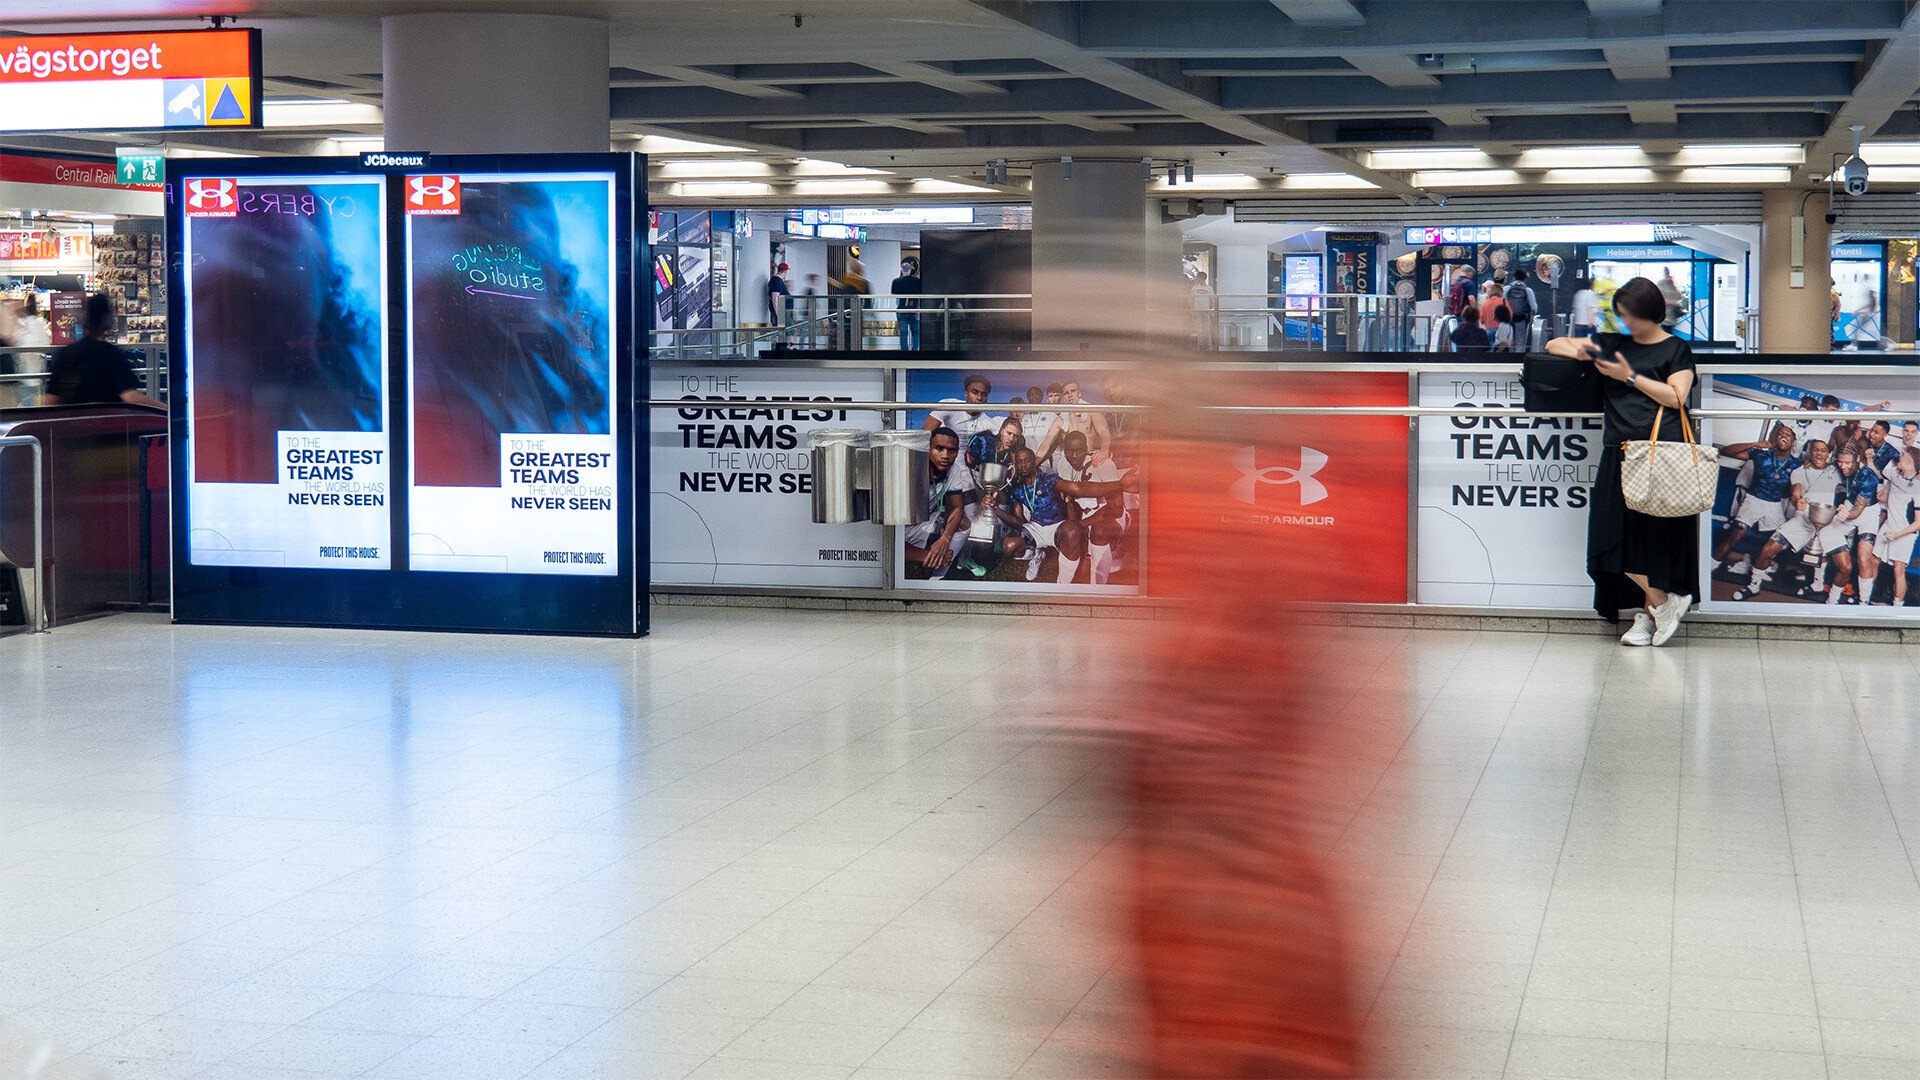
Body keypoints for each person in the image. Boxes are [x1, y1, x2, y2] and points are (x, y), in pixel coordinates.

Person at [1545, 276, 1697, 644]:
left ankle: (1647, 618)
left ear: (1652, 313)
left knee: (1653, 539)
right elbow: (1554, 343)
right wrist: (1585, 352)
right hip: (1619, 450)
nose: (1626, 323)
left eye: (1632, 316)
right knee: (1609, 537)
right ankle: (1662, 603)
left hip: (1662, 452)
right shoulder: (1611, 343)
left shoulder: (1676, 349)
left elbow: (1676, 397)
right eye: (1622, 315)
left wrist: (1628, 375)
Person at [43, 294, 162, 408]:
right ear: (107, 320)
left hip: (73, 424)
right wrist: (166, 409)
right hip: (107, 424)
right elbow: (130, 396)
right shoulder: (111, 354)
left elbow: (52, 400)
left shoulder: (66, 353)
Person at [1713, 423, 1800, 576]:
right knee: (1736, 535)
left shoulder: (1797, 464)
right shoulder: (1762, 455)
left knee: (1781, 541)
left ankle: (1753, 563)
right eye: (1780, 433)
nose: (1783, 437)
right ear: (1775, 437)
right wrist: (1756, 444)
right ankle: (1711, 565)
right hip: (1754, 499)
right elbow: (1726, 451)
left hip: (1775, 505)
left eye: (1787, 435)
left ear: (1793, 442)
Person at [904, 426, 974, 573]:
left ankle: (938, 576)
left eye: (951, 450)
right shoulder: (910, 468)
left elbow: (958, 507)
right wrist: (923, 555)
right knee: (889, 537)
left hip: (923, 522)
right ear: (928, 449)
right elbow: (887, 533)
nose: (945, 455)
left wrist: (945, 540)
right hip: (898, 528)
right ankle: (933, 558)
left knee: (963, 523)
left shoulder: (953, 469)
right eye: (939, 448)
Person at [1873, 447, 1920, 606]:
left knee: (1898, 570)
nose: (1898, 458)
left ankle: (1896, 609)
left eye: (1902, 457)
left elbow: (1918, 523)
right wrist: (1868, 459)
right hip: (1887, 527)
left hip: (1904, 533)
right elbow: (1879, 473)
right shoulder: (1894, 473)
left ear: (1908, 463)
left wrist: (1897, 535)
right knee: (1874, 561)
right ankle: (1864, 601)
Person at [890, 258, 922, 350]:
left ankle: (904, 352)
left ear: (901, 270)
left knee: (903, 334)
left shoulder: (896, 281)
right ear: (910, 270)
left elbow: (893, 294)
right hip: (914, 310)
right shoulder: (916, 280)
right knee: (915, 332)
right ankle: (915, 350)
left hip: (901, 309)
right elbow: (920, 293)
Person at [1503, 268, 1535, 351]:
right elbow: (1534, 307)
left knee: (1508, 338)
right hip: (1521, 318)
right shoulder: (1527, 290)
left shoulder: (1506, 288)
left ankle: (1509, 358)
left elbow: (1502, 302)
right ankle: (1519, 358)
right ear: (1524, 279)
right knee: (1520, 340)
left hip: (1508, 319)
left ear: (1514, 277)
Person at [1189, 271, 1217, 349]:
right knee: (1199, 329)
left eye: (1199, 278)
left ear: (1202, 278)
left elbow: (1212, 300)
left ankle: (1209, 347)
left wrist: (1211, 310)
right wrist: (1191, 310)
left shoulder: (1209, 288)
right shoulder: (1194, 288)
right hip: (1197, 311)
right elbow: (1191, 299)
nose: (1198, 279)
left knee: (1207, 329)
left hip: (1206, 311)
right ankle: (1199, 346)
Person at [766, 262, 790, 328]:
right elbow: (774, 298)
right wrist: (779, 314)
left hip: (783, 311)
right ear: (785, 271)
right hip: (781, 311)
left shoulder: (778, 280)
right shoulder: (776, 280)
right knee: (783, 331)